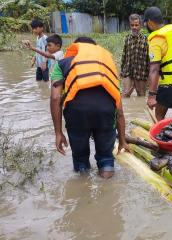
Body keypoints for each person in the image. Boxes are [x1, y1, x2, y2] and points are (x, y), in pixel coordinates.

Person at [49, 37, 130, 179]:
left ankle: (83, 190)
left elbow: (55, 98)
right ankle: (108, 191)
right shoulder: (107, 64)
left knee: (81, 161)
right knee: (106, 158)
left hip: (77, 113)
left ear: (76, 49)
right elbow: (119, 108)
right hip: (106, 112)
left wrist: (58, 133)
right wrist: (122, 140)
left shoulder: (61, 64)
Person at [120, 14, 149, 97]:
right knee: (125, 95)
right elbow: (124, 56)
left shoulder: (145, 39)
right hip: (128, 72)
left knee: (142, 96)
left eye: (136, 25)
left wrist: (149, 76)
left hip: (141, 73)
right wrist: (122, 72)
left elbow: (148, 59)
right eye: (132, 25)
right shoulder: (127, 38)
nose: (134, 27)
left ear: (140, 26)